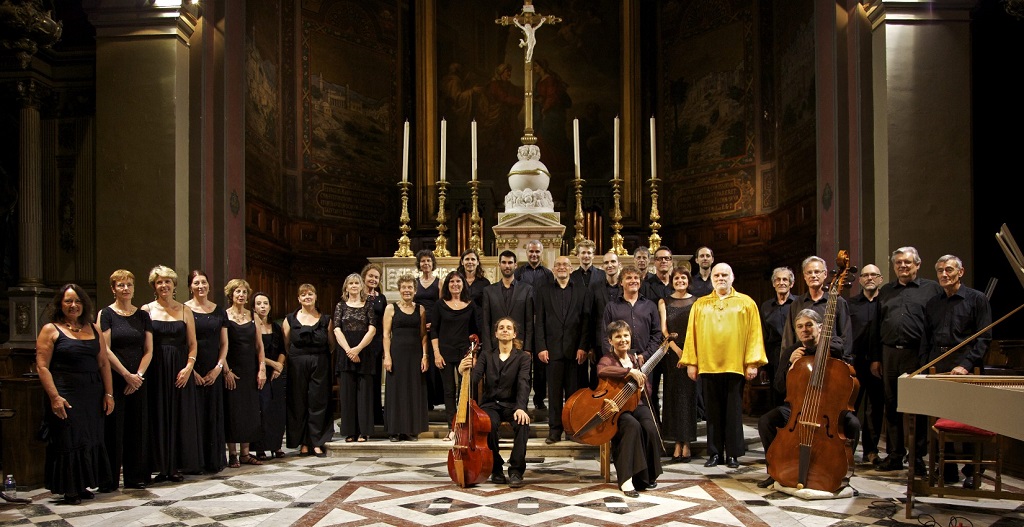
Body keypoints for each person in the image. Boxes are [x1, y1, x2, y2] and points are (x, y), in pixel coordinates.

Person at [756, 309, 861, 488]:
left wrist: (823, 349)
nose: (804, 329)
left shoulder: (832, 347)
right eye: (800, 326)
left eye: (809, 325)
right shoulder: (793, 350)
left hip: (829, 410)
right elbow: (779, 387)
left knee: (853, 425)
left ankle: (841, 473)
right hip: (798, 408)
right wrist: (790, 363)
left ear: (820, 327)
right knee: (766, 421)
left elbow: (839, 350)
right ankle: (774, 470)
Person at [680, 263, 767, 469]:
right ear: (711, 278)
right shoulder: (700, 304)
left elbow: (754, 334)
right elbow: (691, 335)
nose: (720, 278)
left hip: (735, 364)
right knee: (713, 413)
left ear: (732, 277)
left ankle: (733, 454)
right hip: (709, 366)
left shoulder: (746, 303)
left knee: (734, 412)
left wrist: (752, 362)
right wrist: (692, 363)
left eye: (724, 274)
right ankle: (715, 453)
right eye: (717, 275)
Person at [36, 284, 114, 504]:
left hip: (92, 391)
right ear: (60, 304)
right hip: (65, 391)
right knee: (69, 438)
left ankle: (82, 484)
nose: (73, 305)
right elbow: (42, 367)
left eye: (78, 301)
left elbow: (103, 363)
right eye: (69, 301)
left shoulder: (92, 328)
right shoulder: (50, 329)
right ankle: (69, 488)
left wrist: (109, 394)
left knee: (90, 437)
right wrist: (54, 397)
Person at [921, 255, 992, 489]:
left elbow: (983, 338)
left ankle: (973, 471)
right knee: (940, 418)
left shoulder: (977, 299)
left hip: (965, 367)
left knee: (969, 419)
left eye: (949, 269)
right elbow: (926, 338)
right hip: (938, 365)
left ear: (960, 272)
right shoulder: (933, 303)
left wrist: (966, 365)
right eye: (940, 270)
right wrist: (925, 367)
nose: (944, 274)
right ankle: (947, 467)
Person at [871, 247, 943, 473]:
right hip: (889, 353)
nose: (903, 266)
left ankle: (918, 457)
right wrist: (876, 358)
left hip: (917, 354)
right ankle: (894, 454)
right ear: (894, 267)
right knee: (891, 406)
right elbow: (876, 325)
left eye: (908, 262)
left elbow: (935, 325)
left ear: (917, 265)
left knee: (918, 408)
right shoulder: (886, 291)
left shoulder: (931, 289)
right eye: (899, 263)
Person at [143, 265, 202, 482]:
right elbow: (146, 346)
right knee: (158, 414)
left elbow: (193, 344)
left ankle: (176, 465)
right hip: (156, 368)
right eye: (159, 282)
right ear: (154, 286)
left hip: (180, 367)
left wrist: (188, 367)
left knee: (179, 414)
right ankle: (160, 466)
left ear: (174, 285)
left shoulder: (186, 310)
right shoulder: (147, 310)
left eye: (167, 281)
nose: (164, 285)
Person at [458, 317, 531, 488]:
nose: (505, 330)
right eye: (501, 328)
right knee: (487, 423)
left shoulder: (523, 358)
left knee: (523, 424)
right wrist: (462, 370)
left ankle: (516, 470)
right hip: (490, 404)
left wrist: (521, 408)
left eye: (508, 328)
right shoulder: (486, 355)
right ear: (496, 334)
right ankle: (496, 468)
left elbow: (524, 383)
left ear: (514, 334)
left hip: (513, 405)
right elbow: (474, 379)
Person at [99, 269, 153, 490]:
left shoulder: (142, 315)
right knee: (114, 429)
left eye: (129, 285)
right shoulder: (106, 314)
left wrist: (138, 376)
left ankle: (135, 476)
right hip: (116, 378)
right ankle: (109, 479)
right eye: (120, 285)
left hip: (139, 380)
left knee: (137, 428)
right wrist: (126, 375)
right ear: (113, 289)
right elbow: (105, 350)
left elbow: (149, 350)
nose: (125, 289)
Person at [597, 320, 663, 498]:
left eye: (626, 336)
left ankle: (645, 476)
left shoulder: (635, 359)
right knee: (632, 426)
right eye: (618, 336)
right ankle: (626, 479)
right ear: (610, 341)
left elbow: (647, 387)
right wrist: (628, 372)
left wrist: (642, 387)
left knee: (649, 425)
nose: (623, 340)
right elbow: (602, 371)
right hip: (617, 409)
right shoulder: (607, 359)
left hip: (637, 404)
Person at [534, 256, 592, 443]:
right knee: (555, 394)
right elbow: (540, 322)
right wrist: (541, 347)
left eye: (565, 265)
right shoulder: (544, 291)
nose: (561, 267)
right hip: (552, 351)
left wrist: (583, 346)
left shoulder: (582, 291)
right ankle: (554, 430)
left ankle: (571, 429)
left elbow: (585, 322)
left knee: (574, 395)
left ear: (571, 268)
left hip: (575, 352)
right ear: (553, 268)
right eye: (558, 264)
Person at [602, 264, 663, 423]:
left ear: (640, 282)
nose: (633, 281)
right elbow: (605, 335)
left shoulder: (649, 305)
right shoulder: (612, 306)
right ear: (621, 282)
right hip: (621, 363)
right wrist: (614, 360)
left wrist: (645, 355)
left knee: (650, 397)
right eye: (628, 278)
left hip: (646, 361)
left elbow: (657, 334)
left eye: (636, 278)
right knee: (623, 399)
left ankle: (652, 435)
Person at [183, 270, 228, 474]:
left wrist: (219, 368)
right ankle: (195, 462)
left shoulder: (219, 310)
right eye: (196, 283)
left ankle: (213, 461)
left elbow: (224, 343)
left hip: (213, 368)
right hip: (192, 367)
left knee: (212, 413)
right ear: (190, 287)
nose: (200, 286)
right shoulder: (184, 309)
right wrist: (190, 370)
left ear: (209, 286)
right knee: (194, 415)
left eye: (203, 282)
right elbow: (184, 342)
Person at [283, 283, 335, 457]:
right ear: (298, 298)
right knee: (299, 402)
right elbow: (286, 344)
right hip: (297, 364)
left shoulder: (326, 319)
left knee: (317, 402)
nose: (307, 297)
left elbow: (331, 345)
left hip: (320, 363)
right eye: (303, 294)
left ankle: (316, 442)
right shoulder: (290, 318)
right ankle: (303, 443)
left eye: (310, 294)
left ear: (316, 296)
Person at [431, 270, 481, 440]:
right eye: (451, 282)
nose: (455, 284)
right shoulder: (440, 304)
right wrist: (436, 354)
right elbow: (434, 332)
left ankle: (464, 427)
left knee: (465, 390)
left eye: (458, 281)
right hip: (444, 352)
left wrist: (474, 355)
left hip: (465, 352)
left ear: (463, 284)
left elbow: (476, 331)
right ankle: (451, 428)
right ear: (447, 285)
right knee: (449, 390)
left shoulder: (471, 304)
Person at [222, 278, 267, 466]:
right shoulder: (224, 315)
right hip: (232, 369)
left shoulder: (252, 315)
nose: (241, 295)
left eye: (244, 292)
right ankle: (232, 454)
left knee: (249, 411)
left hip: (250, 369)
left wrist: (262, 368)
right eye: (237, 292)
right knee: (233, 411)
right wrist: (226, 371)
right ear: (231, 294)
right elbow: (221, 346)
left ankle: (245, 453)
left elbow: (259, 345)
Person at [780, 256, 853, 370]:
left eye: (817, 272)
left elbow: (845, 336)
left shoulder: (837, 301)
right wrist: (787, 362)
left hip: (831, 362)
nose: (813, 275)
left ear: (824, 274)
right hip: (803, 362)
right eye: (809, 272)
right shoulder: (797, 303)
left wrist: (845, 363)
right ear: (804, 276)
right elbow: (789, 337)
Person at [382, 275, 429, 441]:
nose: (407, 290)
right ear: (399, 289)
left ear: (415, 290)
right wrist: (387, 356)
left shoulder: (421, 309)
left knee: (413, 390)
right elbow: (386, 335)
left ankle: (410, 430)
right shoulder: (391, 308)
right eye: (404, 287)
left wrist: (425, 356)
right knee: (396, 391)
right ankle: (395, 430)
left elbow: (423, 335)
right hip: (397, 354)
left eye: (410, 287)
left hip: (415, 354)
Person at [659, 267, 698, 463]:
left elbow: (699, 328)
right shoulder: (664, 301)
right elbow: (664, 330)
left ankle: (687, 443)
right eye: (676, 278)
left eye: (683, 277)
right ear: (672, 281)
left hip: (692, 353)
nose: (680, 280)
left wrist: (689, 353)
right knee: (673, 397)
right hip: (672, 354)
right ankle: (676, 443)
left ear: (688, 280)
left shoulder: (697, 302)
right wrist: (676, 350)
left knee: (688, 398)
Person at [848, 264, 885, 466]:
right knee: (850, 407)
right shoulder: (850, 304)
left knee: (875, 408)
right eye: (865, 275)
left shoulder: (886, 302)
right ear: (860, 279)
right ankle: (847, 449)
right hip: (855, 361)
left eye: (873, 275)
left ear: (880, 279)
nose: (869, 278)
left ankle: (870, 451)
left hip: (878, 362)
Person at [334, 273, 378, 443]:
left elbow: (372, 329)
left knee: (364, 393)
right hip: (345, 352)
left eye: (356, 283)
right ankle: (350, 431)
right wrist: (349, 351)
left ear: (361, 287)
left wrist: (358, 349)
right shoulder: (340, 306)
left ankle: (364, 431)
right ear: (346, 287)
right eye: (350, 283)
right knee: (348, 393)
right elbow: (337, 329)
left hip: (364, 351)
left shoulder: (368, 305)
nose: (353, 286)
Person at [514, 239, 551, 408]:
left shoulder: (548, 274)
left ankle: (539, 399)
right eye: (531, 252)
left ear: (541, 253)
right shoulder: (519, 272)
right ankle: (521, 399)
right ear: (526, 252)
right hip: (524, 323)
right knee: (524, 364)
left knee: (541, 366)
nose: (534, 254)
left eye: (537, 252)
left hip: (542, 324)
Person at [250, 292, 287, 460]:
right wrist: (273, 364)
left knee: (277, 411)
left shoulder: (276, 327)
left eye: (266, 303)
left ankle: (276, 446)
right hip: (260, 372)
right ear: (253, 307)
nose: (263, 306)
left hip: (276, 374)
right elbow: (254, 352)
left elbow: (283, 349)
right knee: (262, 410)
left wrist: (279, 367)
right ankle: (260, 448)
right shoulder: (251, 327)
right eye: (259, 303)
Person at [479, 250, 534, 357]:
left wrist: (528, 348)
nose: (507, 266)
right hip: (495, 346)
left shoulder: (526, 289)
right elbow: (486, 322)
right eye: (504, 262)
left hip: (519, 345)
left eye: (510, 263)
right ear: (499, 264)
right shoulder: (488, 291)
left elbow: (529, 321)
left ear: (515, 265)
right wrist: (487, 348)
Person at [760, 267, 796, 408]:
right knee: (775, 394)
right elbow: (763, 336)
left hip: (794, 353)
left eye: (785, 279)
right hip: (774, 355)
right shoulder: (766, 306)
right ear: (773, 283)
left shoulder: (798, 303)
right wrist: (763, 366)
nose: (781, 282)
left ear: (791, 283)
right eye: (778, 280)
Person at [414, 249, 444, 412]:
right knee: (419, 362)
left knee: (432, 364)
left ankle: (433, 398)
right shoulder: (415, 282)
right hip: (417, 325)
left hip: (433, 325)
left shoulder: (439, 282)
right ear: (419, 264)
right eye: (423, 261)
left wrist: (432, 324)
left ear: (433, 264)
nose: (425, 263)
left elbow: (440, 305)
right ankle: (422, 399)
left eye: (428, 261)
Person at [587, 251, 622, 388]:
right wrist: (590, 346)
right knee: (599, 381)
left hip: (622, 341)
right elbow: (590, 317)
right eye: (606, 262)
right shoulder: (595, 287)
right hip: (599, 342)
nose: (610, 265)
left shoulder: (625, 285)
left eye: (613, 262)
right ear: (602, 267)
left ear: (619, 264)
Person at [362, 263, 387, 426]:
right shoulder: (357, 295)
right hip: (360, 341)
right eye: (370, 276)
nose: (373, 279)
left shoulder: (381, 298)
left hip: (377, 342)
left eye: (376, 277)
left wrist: (386, 347)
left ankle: (376, 415)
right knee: (363, 379)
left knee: (376, 378)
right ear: (364, 276)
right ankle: (364, 415)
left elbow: (385, 322)